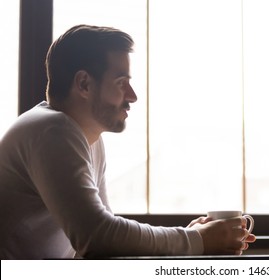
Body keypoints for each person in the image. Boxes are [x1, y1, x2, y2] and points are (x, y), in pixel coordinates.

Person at [0, 24, 255, 259]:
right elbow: (98, 236)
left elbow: (105, 239)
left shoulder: (87, 139)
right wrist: (195, 240)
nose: (132, 96)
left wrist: (191, 236)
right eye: (122, 83)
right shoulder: (52, 131)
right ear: (84, 84)